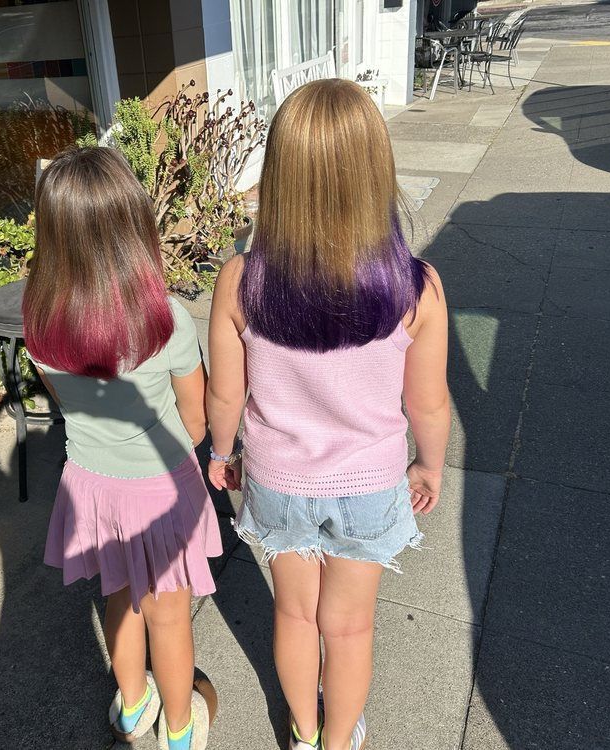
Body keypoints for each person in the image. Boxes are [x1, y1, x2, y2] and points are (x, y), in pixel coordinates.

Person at [206, 79, 450, 750]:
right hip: (370, 483)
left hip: (278, 479)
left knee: (293, 614)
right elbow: (428, 402)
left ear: (279, 176)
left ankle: (304, 730)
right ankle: (338, 742)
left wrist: (221, 453)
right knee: (349, 627)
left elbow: (225, 395)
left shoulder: (241, 281)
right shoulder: (415, 288)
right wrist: (428, 464)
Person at [23, 147, 222, 750]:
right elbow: (195, 418)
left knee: (119, 597)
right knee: (169, 616)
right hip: (161, 490)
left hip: (91, 483)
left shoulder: (38, 319)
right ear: (135, 226)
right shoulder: (167, 321)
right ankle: (180, 730)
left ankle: (133, 707)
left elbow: (64, 402)